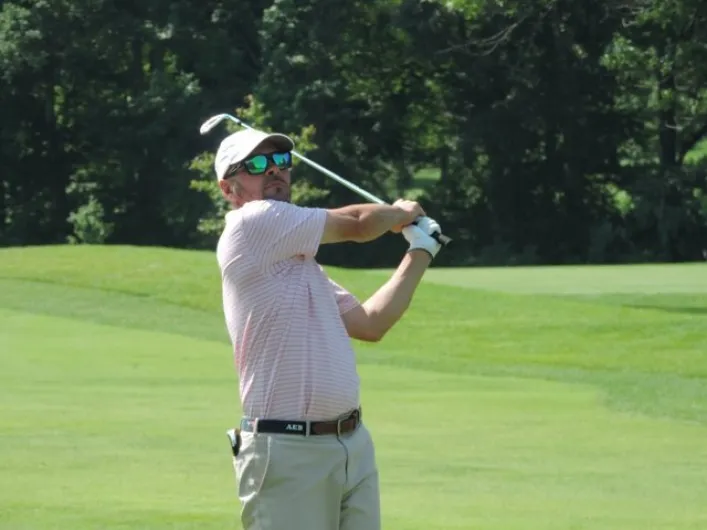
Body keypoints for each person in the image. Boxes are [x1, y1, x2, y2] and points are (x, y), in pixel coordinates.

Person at [213, 126, 444, 530]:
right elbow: (357, 224)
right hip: (286, 451)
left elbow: (371, 323)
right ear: (228, 189)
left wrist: (422, 250)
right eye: (258, 164)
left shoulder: (301, 267)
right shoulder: (250, 224)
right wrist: (403, 214)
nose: (275, 171)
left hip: (351, 445)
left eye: (281, 162)